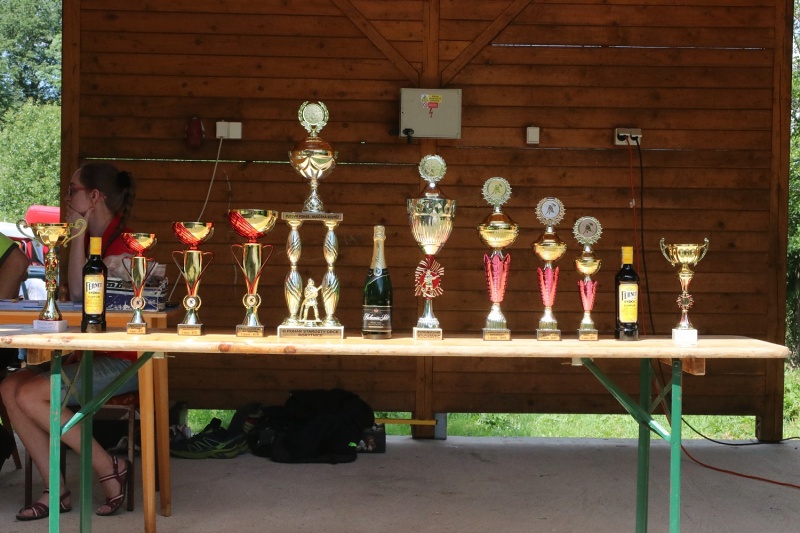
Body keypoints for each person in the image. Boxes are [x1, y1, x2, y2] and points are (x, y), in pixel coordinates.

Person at [0, 162, 139, 520]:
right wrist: (79, 233)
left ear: (94, 197)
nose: (65, 197)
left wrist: (77, 233)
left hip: (124, 361)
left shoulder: (124, 245)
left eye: (72, 190)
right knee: (10, 387)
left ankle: (109, 466)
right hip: (86, 356)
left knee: (30, 394)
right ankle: (56, 489)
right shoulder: (93, 238)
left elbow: (80, 293)